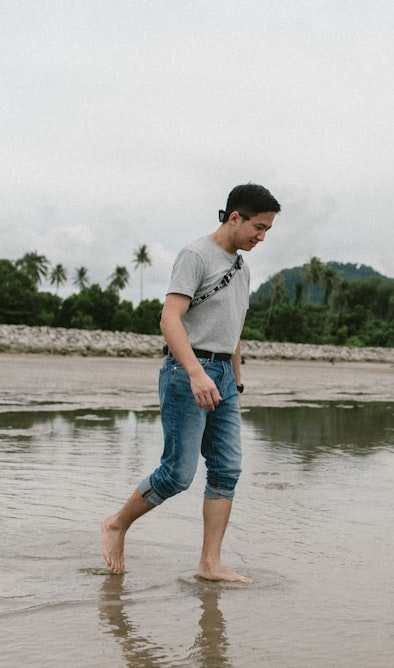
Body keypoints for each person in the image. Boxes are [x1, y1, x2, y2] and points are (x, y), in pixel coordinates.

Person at [101, 183, 281, 581]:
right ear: (235, 217)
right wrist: (197, 373)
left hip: (223, 377)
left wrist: (236, 378)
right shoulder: (196, 255)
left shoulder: (242, 267)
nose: (262, 237)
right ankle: (116, 524)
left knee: (226, 470)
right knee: (178, 473)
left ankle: (209, 564)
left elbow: (233, 327)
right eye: (259, 226)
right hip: (187, 372)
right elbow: (169, 319)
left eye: (268, 230)